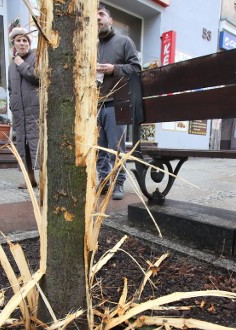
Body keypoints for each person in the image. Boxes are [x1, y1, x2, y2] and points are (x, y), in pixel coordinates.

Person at [96, 5, 141, 200]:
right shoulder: (91, 46)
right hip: (95, 105)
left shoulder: (124, 42)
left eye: (101, 14)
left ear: (110, 20)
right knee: (99, 149)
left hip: (116, 103)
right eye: (94, 16)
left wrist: (114, 68)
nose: (98, 18)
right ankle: (104, 181)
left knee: (116, 148)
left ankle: (119, 182)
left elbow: (136, 68)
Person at [8, 27, 40, 188]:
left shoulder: (36, 58)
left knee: (38, 144)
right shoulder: (10, 66)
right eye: (19, 40)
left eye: (25, 40)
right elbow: (10, 89)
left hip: (35, 111)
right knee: (24, 146)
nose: (22, 43)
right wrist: (12, 106)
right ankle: (30, 179)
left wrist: (21, 64)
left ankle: (45, 178)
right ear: (13, 43)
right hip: (19, 112)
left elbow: (38, 78)